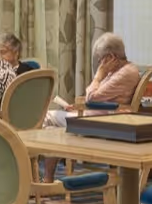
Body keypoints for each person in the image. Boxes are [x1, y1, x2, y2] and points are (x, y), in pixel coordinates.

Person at [42, 32, 141, 181]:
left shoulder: (124, 73)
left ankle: (43, 177)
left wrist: (99, 75)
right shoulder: (120, 70)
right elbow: (95, 96)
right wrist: (79, 106)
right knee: (53, 128)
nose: (100, 63)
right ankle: (47, 176)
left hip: (99, 123)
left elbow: (92, 96)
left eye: (101, 59)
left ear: (111, 57)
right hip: (96, 117)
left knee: (46, 119)